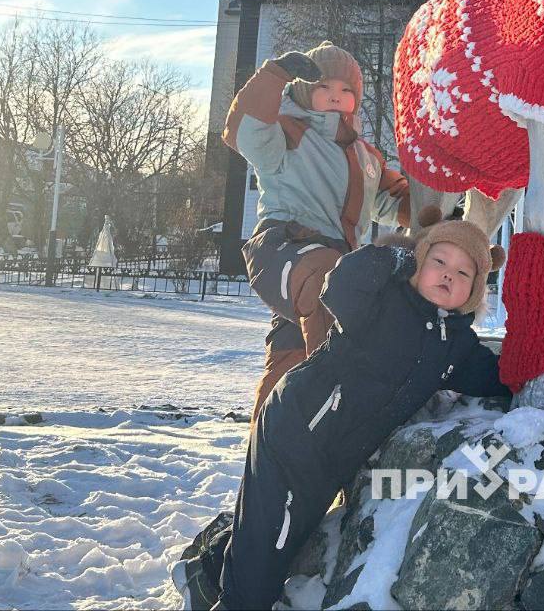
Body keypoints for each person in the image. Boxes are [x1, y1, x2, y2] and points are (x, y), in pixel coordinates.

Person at [172, 208, 511, 611]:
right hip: (297, 429)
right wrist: (393, 256)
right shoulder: (383, 299)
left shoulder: (454, 345)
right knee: (266, 551)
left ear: (474, 291)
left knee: (285, 536)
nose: (448, 274)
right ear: (418, 262)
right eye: (439, 261)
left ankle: (203, 576)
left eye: (463, 272)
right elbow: (339, 286)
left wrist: (536, 361)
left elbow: (497, 376)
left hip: (332, 458)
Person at [222, 41, 412, 414]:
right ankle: (343, 392)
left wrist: (446, 201)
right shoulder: (285, 132)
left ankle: (268, 438)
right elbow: (244, 131)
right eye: (324, 87)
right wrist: (275, 74)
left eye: (346, 90)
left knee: (290, 357)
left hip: (335, 263)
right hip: (283, 247)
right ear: (304, 90)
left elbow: (399, 202)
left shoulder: (366, 156)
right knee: (329, 280)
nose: (335, 96)